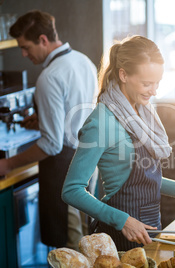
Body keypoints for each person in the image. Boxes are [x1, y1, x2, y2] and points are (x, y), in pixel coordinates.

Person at [62, 35, 175, 251]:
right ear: (123, 75)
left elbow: (142, 176)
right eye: (147, 84)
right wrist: (122, 221)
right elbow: (71, 190)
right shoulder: (101, 122)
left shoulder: (142, 112)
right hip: (117, 238)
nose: (154, 91)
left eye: (157, 83)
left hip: (150, 232)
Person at [0, 10, 98, 250]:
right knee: (87, 239)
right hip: (89, 160)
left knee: (71, 247)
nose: (24, 54)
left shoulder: (49, 77)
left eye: (25, 47)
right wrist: (43, 119)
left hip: (65, 169)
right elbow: (79, 112)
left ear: (43, 40)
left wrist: (8, 165)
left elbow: (52, 143)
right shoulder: (83, 60)